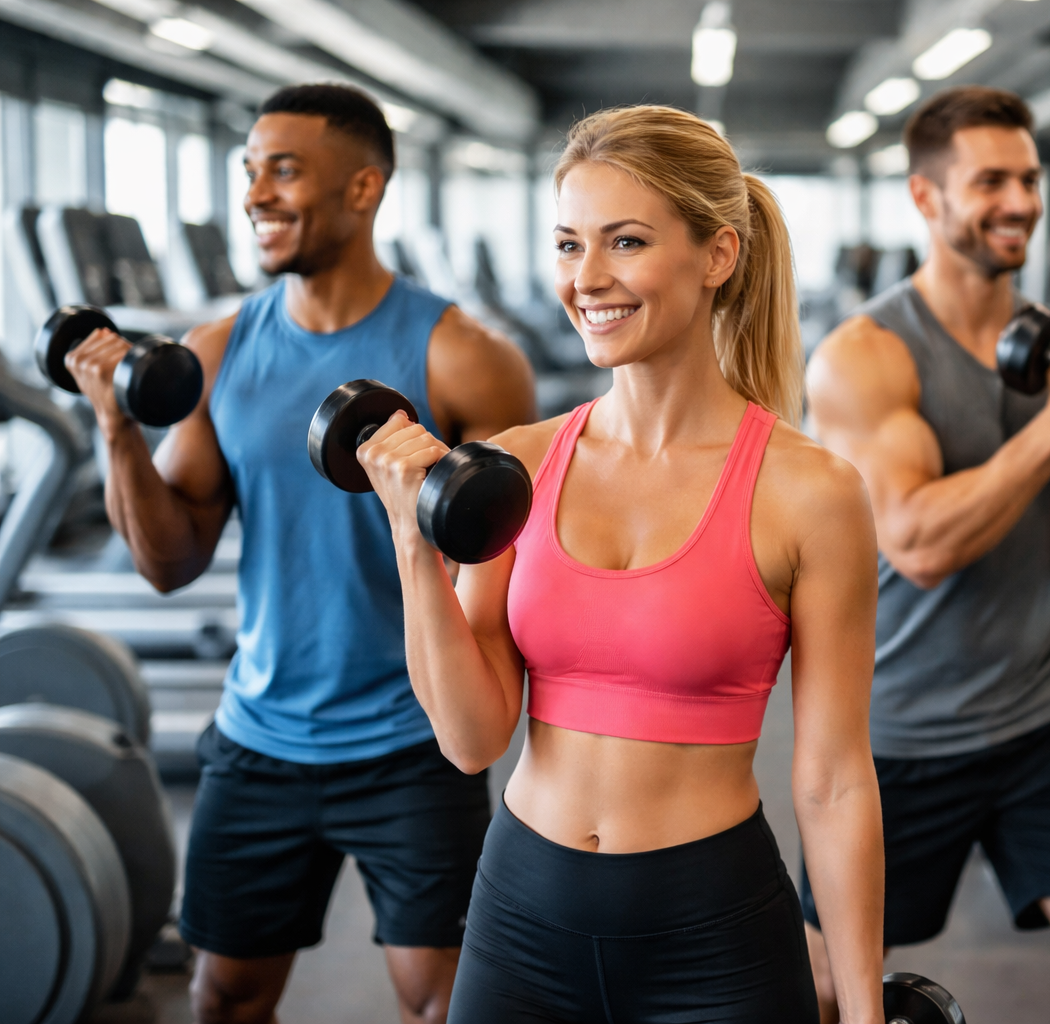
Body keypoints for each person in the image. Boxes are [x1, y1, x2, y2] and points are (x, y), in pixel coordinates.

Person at [358, 105, 885, 1023]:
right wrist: (413, 543)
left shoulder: (812, 493)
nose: (587, 279)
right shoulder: (515, 466)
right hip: (522, 913)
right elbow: (473, 738)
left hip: (714, 928)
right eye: (568, 245)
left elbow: (834, 778)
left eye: (625, 242)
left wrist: (868, 1008)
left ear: (717, 255)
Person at [63, 84, 535, 1024]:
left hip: (413, 745)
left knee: (443, 1001)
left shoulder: (465, 359)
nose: (256, 194)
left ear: (365, 188)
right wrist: (116, 429)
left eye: (284, 169)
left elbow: (518, 580)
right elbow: (169, 561)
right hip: (261, 738)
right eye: (250, 170)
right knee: (225, 997)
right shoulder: (221, 350)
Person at [804, 85, 1050, 1024]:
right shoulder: (867, 355)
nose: (1021, 201)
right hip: (896, 732)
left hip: (1040, 713)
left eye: (1030, 179)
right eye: (992, 180)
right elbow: (919, 543)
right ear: (926, 199)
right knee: (824, 985)